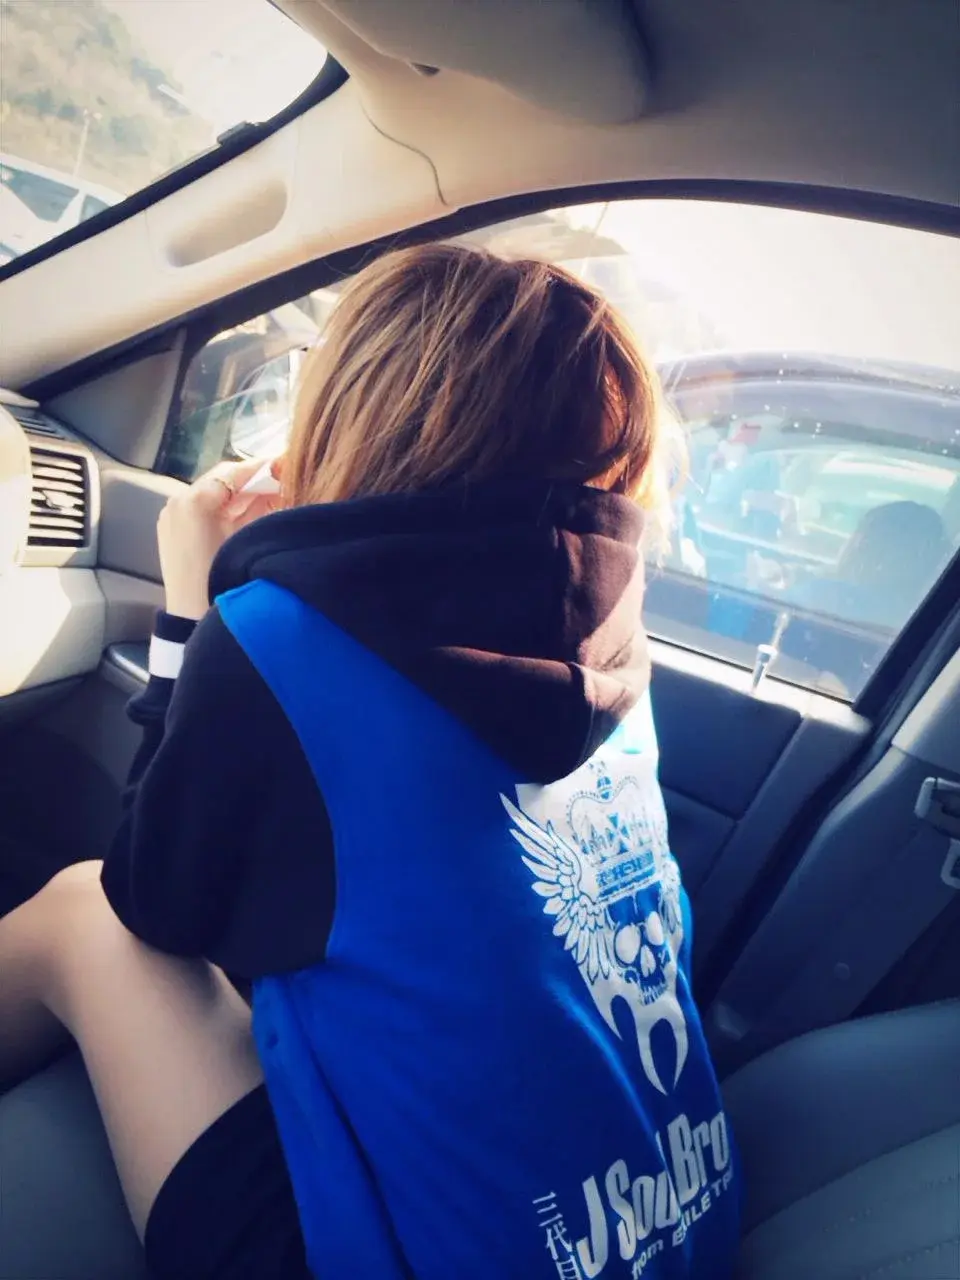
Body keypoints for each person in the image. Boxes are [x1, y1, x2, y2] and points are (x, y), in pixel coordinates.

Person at [0, 243, 740, 1279]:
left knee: (79, 912)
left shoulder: (281, 642)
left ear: (358, 415)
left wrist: (192, 610)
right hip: (670, 1222)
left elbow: (154, 903)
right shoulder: (617, 652)